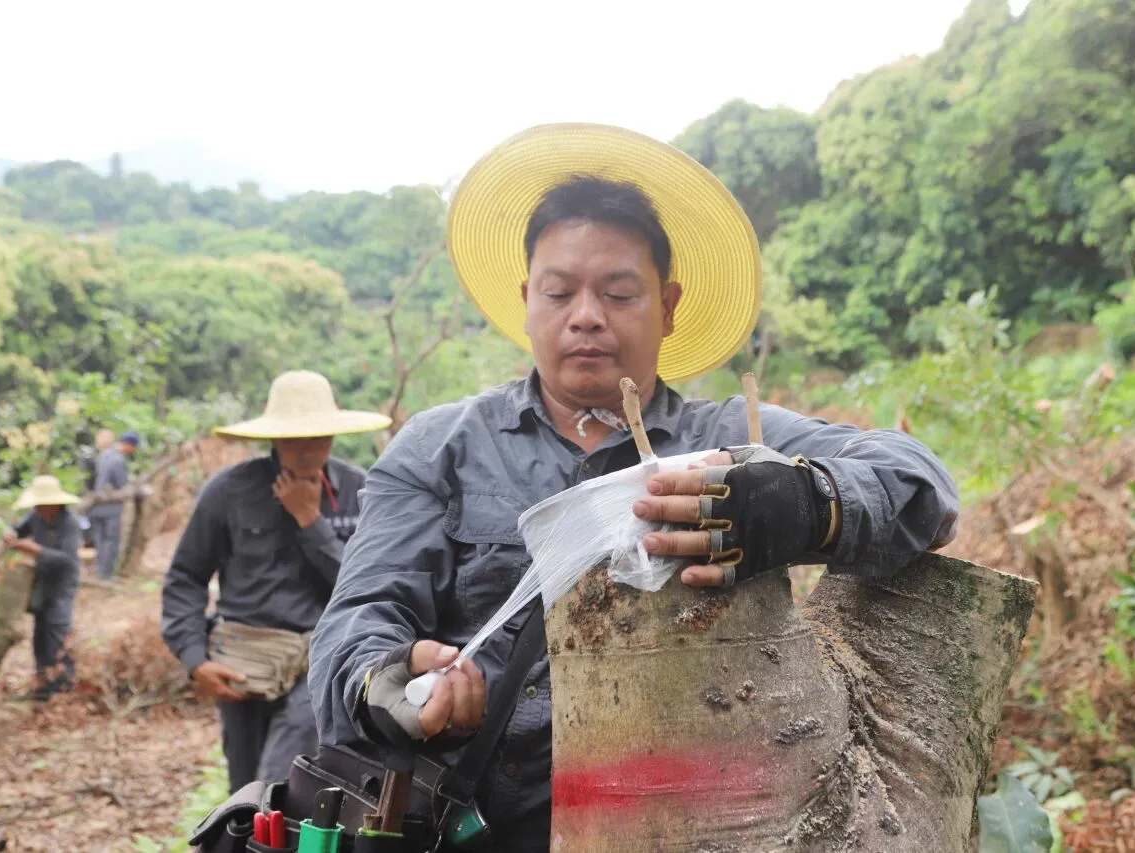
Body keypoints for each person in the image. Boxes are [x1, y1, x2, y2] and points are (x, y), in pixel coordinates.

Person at [307, 123, 961, 852]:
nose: (586, 315)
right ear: (527, 300)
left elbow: (922, 484)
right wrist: (383, 681)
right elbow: (359, 614)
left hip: (695, 830)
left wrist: (806, 505)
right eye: (559, 292)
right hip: (478, 828)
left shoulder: (732, 439)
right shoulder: (440, 449)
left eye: (619, 292)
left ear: (669, 306)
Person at [159, 370, 391, 794]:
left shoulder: (359, 490)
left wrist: (310, 521)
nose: (306, 449)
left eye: (317, 437)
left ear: (334, 434)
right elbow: (186, 577)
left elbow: (365, 584)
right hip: (244, 663)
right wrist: (194, 659)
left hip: (319, 663)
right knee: (244, 788)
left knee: (281, 783)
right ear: (274, 438)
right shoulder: (229, 491)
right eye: (293, 438)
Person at [3, 475, 83, 701]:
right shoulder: (35, 516)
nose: (38, 509)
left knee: (57, 631)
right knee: (40, 634)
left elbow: (67, 560)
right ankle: (43, 684)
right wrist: (11, 533)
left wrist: (36, 550)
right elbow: (17, 529)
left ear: (54, 504)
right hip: (41, 582)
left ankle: (63, 686)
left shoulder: (70, 524)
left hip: (62, 583)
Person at [90, 430, 139, 580]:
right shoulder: (118, 460)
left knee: (100, 540)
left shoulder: (103, 456)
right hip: (111, 508)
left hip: (96, 506)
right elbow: (122, 485)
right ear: (129, 446)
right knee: (111, 541)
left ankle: (99, 571)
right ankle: (107, 574)